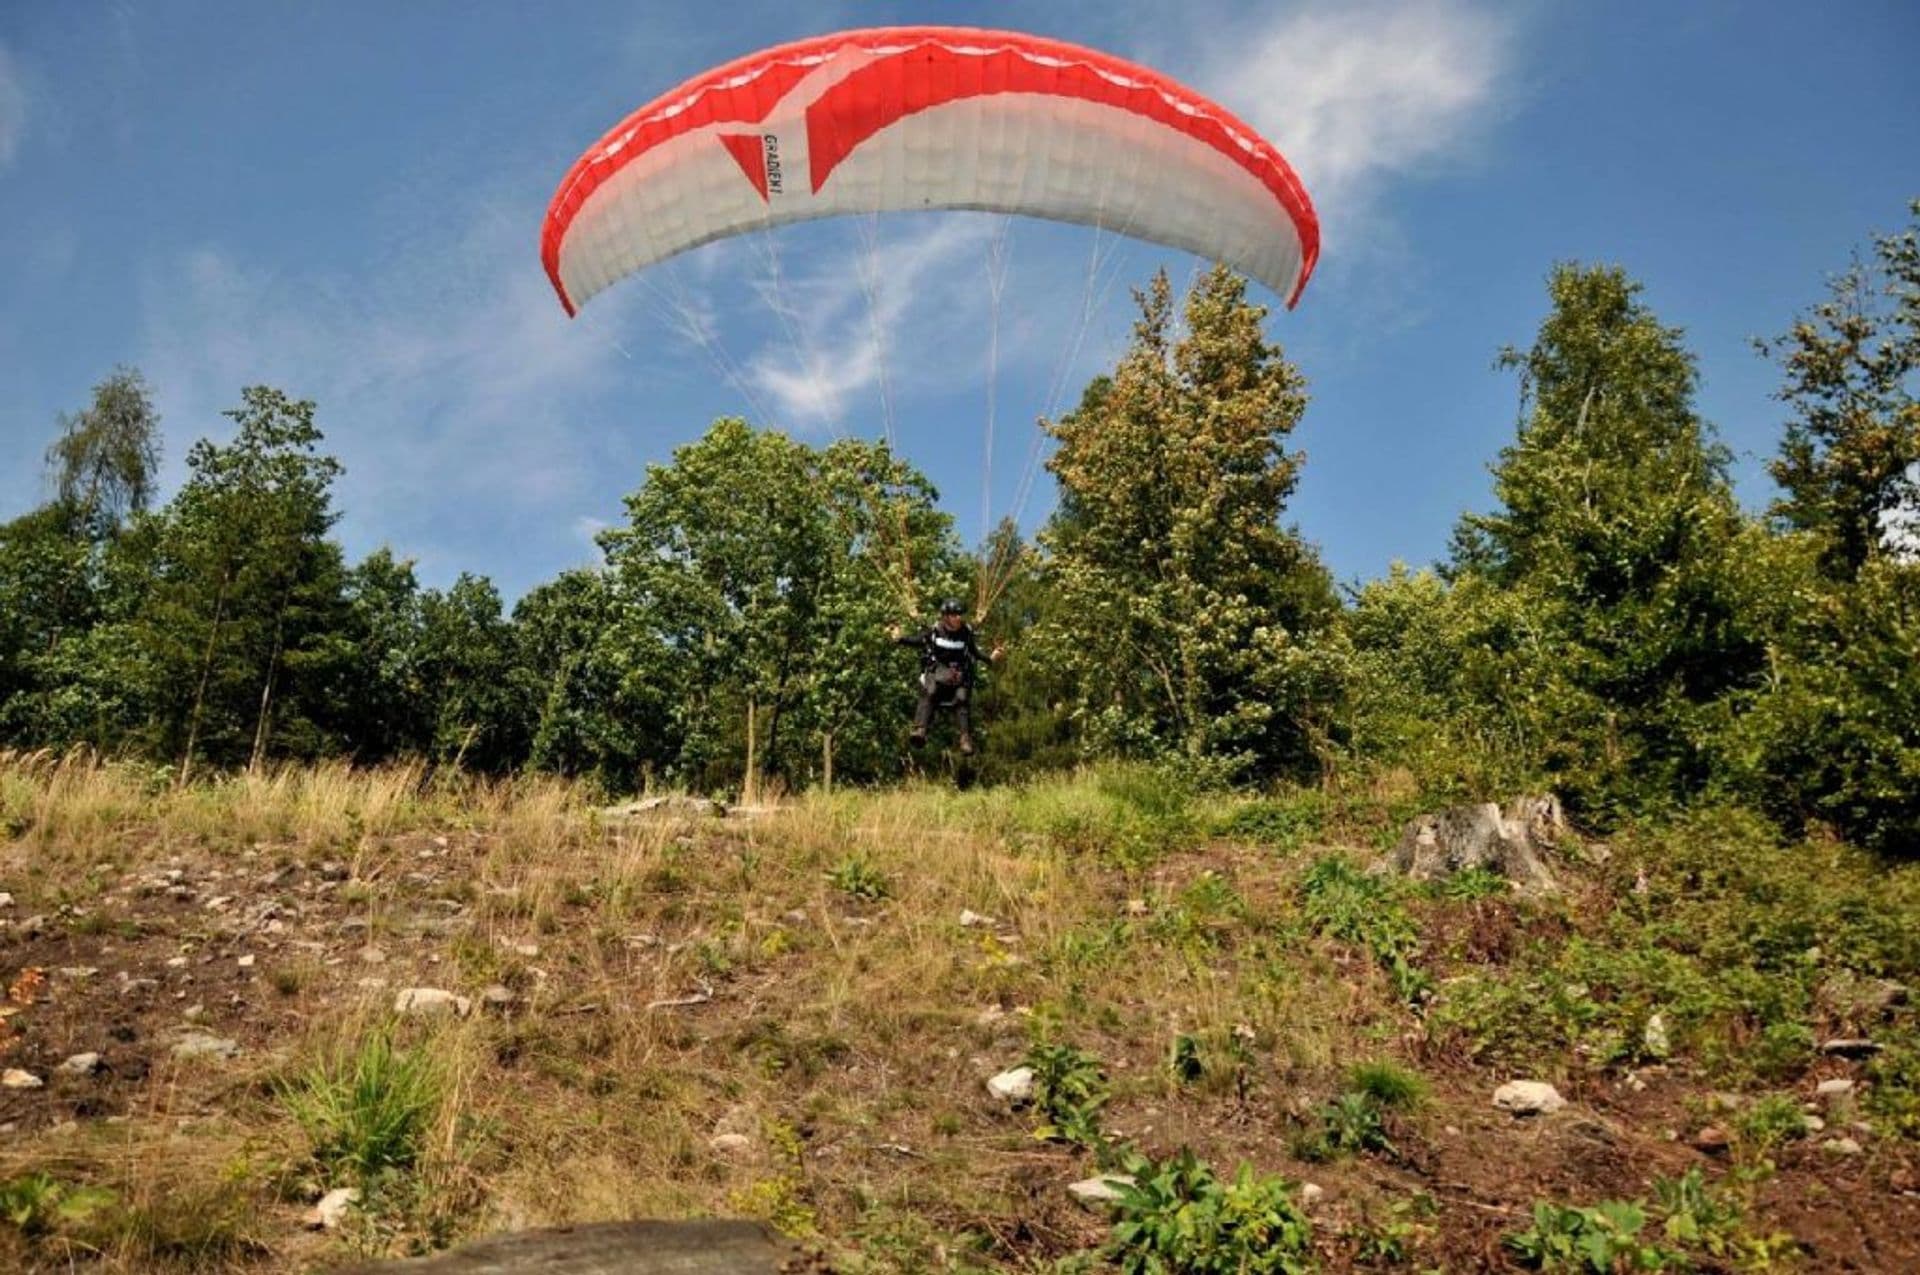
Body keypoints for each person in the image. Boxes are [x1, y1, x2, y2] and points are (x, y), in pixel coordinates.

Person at [890, 598, 1004, 754]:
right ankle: (920, 730)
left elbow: (974, 652)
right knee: (930, 691)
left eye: (959, 615)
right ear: (946, 617)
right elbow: (918, 641)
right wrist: (899, 639)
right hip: (937, 673)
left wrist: (990, 658)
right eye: (954, 615)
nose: (958, 618)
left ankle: (965, 739)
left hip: (957, 676)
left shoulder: (966, 632)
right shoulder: (935, 630)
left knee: (962, 698)